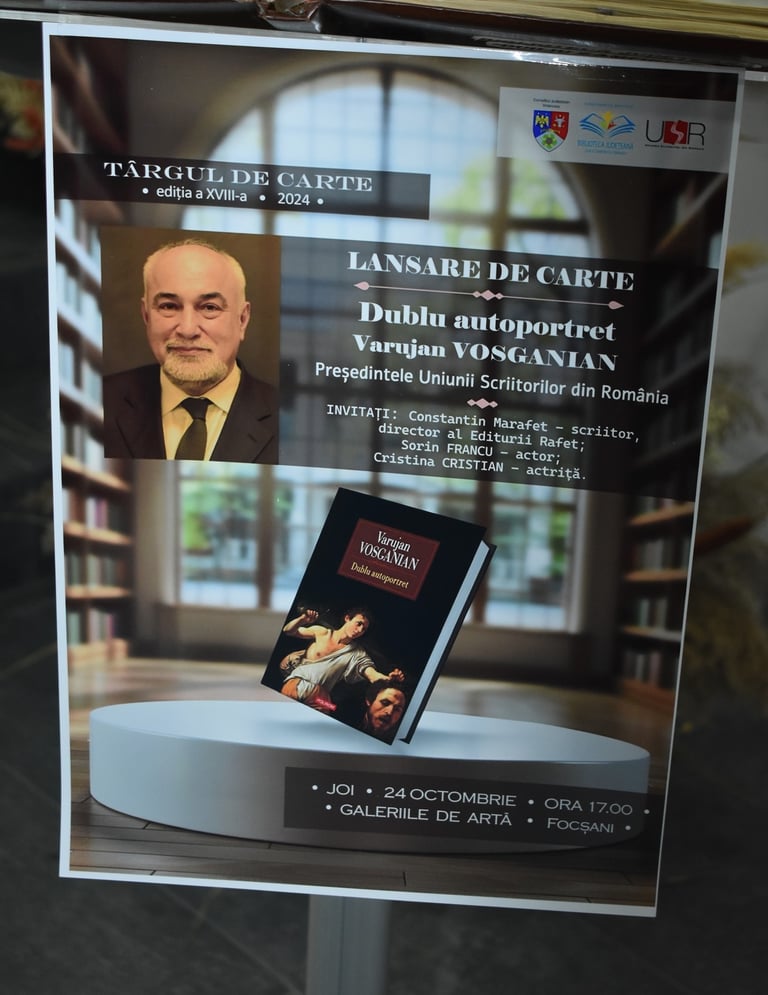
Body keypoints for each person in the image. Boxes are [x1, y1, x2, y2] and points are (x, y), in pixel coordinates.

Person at [103, 238, 278, 462]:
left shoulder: (285, 419)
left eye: (209, 308)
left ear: (242, 320)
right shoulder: (101, 400)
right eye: (169, 306)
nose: (187, 330)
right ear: (146, 316)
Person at [279, 607, 404, 714]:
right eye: (358, 623)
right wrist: (302, 619)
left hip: (320, 697)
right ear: (347, 618)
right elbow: (288, 630)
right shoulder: (322, 632)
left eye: (364, 629)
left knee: (330, 710)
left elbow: (372, 675)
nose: (360, 630)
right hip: (297, 684)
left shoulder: (357, 653)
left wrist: (389, 679)